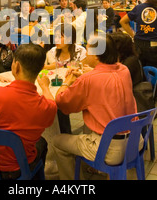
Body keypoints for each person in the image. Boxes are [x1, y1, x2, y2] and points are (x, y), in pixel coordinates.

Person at [51, 34, 137, 180]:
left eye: (88, 49)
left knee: (57, 142)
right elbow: (105, 76)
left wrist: (68, 81)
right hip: (134, 142)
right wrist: (87, 75)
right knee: (89, 125)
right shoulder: (124, 70)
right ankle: (91, 167)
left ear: (96, 56)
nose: (86, 52)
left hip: (110, 148)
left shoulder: (88, 80)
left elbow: (62, 102)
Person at [0, 44, 57, 180]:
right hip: (17, 170)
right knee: (41, 142)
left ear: (16, 67)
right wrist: (45, 87)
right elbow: (52, 104)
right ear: (40, 69)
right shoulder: (45, 106)